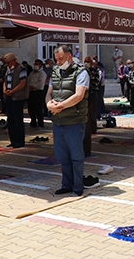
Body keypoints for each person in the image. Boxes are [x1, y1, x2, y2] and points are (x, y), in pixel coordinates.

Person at [47, 46, 90, 196]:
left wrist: (62, 106)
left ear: (69, 57)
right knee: (62, 157)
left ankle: (78, 187)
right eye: (56, 59)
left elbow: (79, 95)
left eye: (61, 59)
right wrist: (48, 104)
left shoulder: (81, 72)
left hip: (74, 121)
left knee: (76, 157)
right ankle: (66, 184)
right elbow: (49, 93)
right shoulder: (55, 72)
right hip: (58, 121)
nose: (58, 62)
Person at [2, 53, 29, 148]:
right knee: (10, 120)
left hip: (17, 97)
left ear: (13, 61)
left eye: (9, 62)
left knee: (18, 120)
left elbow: (23, 83)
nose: (8, 64)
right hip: (9, 97)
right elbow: (5, 81)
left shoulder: (21, 68)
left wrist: (13, 91)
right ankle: (13, 140)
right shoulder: (8, 70)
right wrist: (5, 91)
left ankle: (20, 141)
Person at [83, 56, 100, 157]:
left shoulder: (94, 71)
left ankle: (93, 128)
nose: (86, 63)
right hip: (85, 95)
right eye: (85, 62)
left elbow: (95, 82)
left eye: (88, 62)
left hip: (92, 93)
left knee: (92, 112)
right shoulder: (83, 71)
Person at [27, 59, 47, 128]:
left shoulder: (42, 74)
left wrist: (33, 86)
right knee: (31, 108)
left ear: (40, 65)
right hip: (31, 92)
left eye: (37, 64)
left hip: (38, 93)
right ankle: (33, 122)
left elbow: (40, 84)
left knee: (38, 109)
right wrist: (29, 86)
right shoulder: (32, 73)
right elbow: (28, 81)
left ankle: (40, 123)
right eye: (35, 64)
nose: (35, 66)